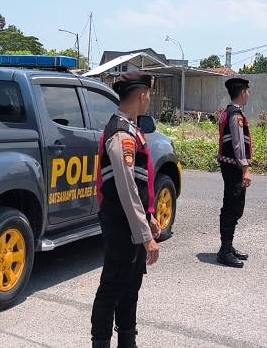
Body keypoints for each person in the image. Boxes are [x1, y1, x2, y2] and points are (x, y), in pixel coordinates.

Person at [91, 71, 162, 348]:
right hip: (122, 224)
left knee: (130, 288)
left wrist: (151, 215)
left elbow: (142, 181)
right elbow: (126, 188)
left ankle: (127, 340)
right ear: (142, 95)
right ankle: (100, 343)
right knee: (112, 287)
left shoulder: (132, 129)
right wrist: (146, 235)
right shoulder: (121, 134)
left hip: (132, 222)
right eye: (149, 94)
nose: (149, 99)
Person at [216, 77, 253, 268]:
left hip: (229, 165)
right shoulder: (235, 115)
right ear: (242, 92)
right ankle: (225, 251)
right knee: (233, 207)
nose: (249, 94)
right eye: (247, 91)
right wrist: (246, 168)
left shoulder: (227, 112)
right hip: (234, 167)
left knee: (230, 206)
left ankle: (227, 247)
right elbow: (238, 145)